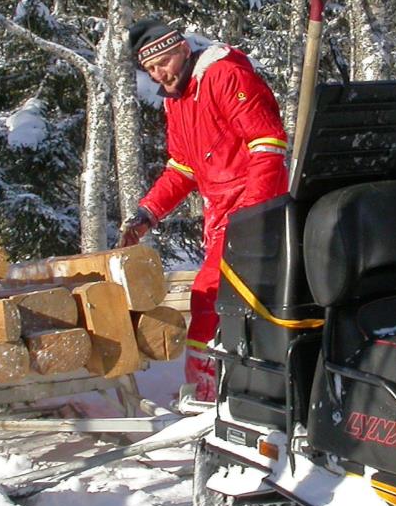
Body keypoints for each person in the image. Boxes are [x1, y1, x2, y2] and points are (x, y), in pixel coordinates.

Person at [121, 20, 289, 402]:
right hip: (219, 212)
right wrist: (148, 212)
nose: (160, 73)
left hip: (253, 203)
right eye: (151, 69)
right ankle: (230, 386)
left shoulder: (225, 76)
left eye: (164, 61)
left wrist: (253, 215)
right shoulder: (176, 100)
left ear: (182, 49)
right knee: (229, 302)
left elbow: (268, 144)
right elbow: (182, 168)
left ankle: (206, 391)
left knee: (209, 294)